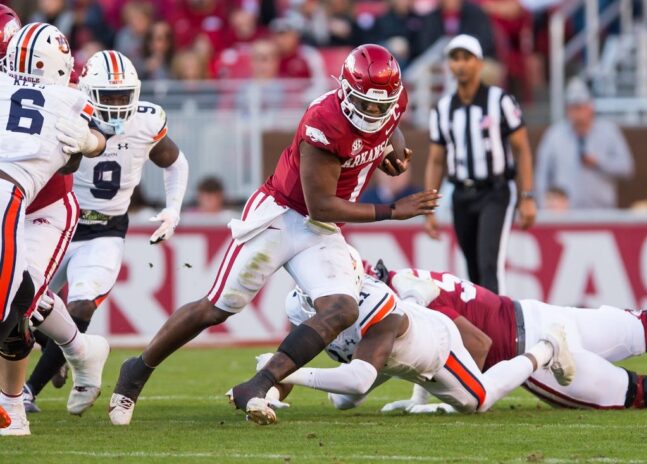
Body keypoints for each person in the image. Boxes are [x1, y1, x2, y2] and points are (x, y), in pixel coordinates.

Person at [109, 44, 439, 427]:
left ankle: (260, 383)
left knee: (342, 309)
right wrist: (393, 211)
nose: (372, 112)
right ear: (346, 91)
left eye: (380, 106)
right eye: (365, 104)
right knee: (218, 307)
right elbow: (321, 205)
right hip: (282, 214)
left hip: (321, 230)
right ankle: (136, 370)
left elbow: (388, 126)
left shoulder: (390, 103)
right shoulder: (324, 120)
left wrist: (392, 150)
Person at [23, 50, 189, 414]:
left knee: (81, 303)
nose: (116, 105)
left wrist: (173, 209)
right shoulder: (65, 113)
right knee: (23, 307)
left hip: (105, 230)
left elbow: (175, 162)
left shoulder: (146, 121)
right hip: (57, 223)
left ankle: (29, 390)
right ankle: (62, 350)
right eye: (107, 96)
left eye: (122, 96)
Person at [252, 264, 574, 415]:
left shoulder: (372, 300)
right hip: (386, 356)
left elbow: (359, 381)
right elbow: (295, 354)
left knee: (478, 401)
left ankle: (547, 348)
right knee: (341, 402)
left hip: (437, 346)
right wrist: (265, 391)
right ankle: (415, 298)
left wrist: (284, 373)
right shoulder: (299, 306)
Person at [371, 263, 647, 412]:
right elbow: (437, 342)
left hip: (537, 352)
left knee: (641, 391)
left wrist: (451, 398)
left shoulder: (406, 301)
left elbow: (477, 345)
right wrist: (420, 396)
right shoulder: (409, 278)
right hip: (542, 314)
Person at [0, 21, 107, 431]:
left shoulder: (65, 93)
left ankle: (13, 406)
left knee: (20, 297)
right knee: (21, 295)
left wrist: (89, 142)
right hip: (14, 198)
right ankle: (80, 349)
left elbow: (87, 143)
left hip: (43, 205)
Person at [425, 34, 536, 295]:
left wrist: (527, 196)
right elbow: (436, 160)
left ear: (479, 63)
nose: (461, 64)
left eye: (467, 58)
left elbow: (522, 149)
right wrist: (429, 208)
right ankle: (482, 319)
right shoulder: (442, 109)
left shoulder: (500, 101)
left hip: (494, 191)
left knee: (489, 266)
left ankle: (500, 321)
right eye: (455, 58)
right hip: (461, 194)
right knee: (473, 270)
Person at [535, 77, 634, 209]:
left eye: (580, 107)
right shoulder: (554, 135)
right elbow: (541, 176)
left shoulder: (609, 132)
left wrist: (599, 162)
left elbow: (626, 168)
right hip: (565, 212)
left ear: (590, 107)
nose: (577, 114)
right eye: (573, 108)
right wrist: (544, 207)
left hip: (602, 211)